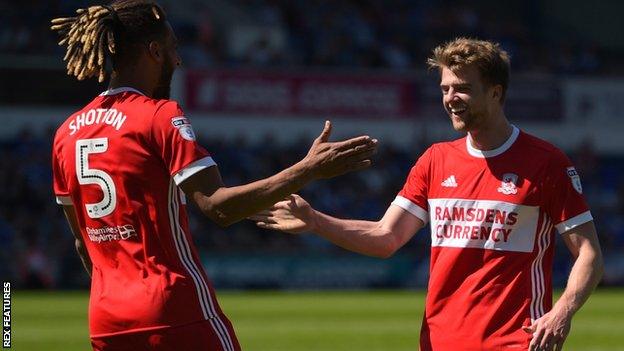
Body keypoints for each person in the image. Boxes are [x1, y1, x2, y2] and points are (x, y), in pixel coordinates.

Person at [50, 1, 377, 350]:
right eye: (174, 48)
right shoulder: (158, 116)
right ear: (155, 51)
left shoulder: (66, 133)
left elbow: (82, 242)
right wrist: (308, 168)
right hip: (173, 310)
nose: (178, 60)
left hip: (106, 320)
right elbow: (218, 208)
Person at [251, 38, 604, 351]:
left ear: (495, 92)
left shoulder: (546, 162)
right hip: (439, 341)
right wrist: (315, 221)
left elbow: (589, 253)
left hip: (515, 341)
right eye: (445, 88)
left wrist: (562, 312)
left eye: (462, 88)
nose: (451, 99)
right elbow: (385, 238)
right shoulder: (436, 159)